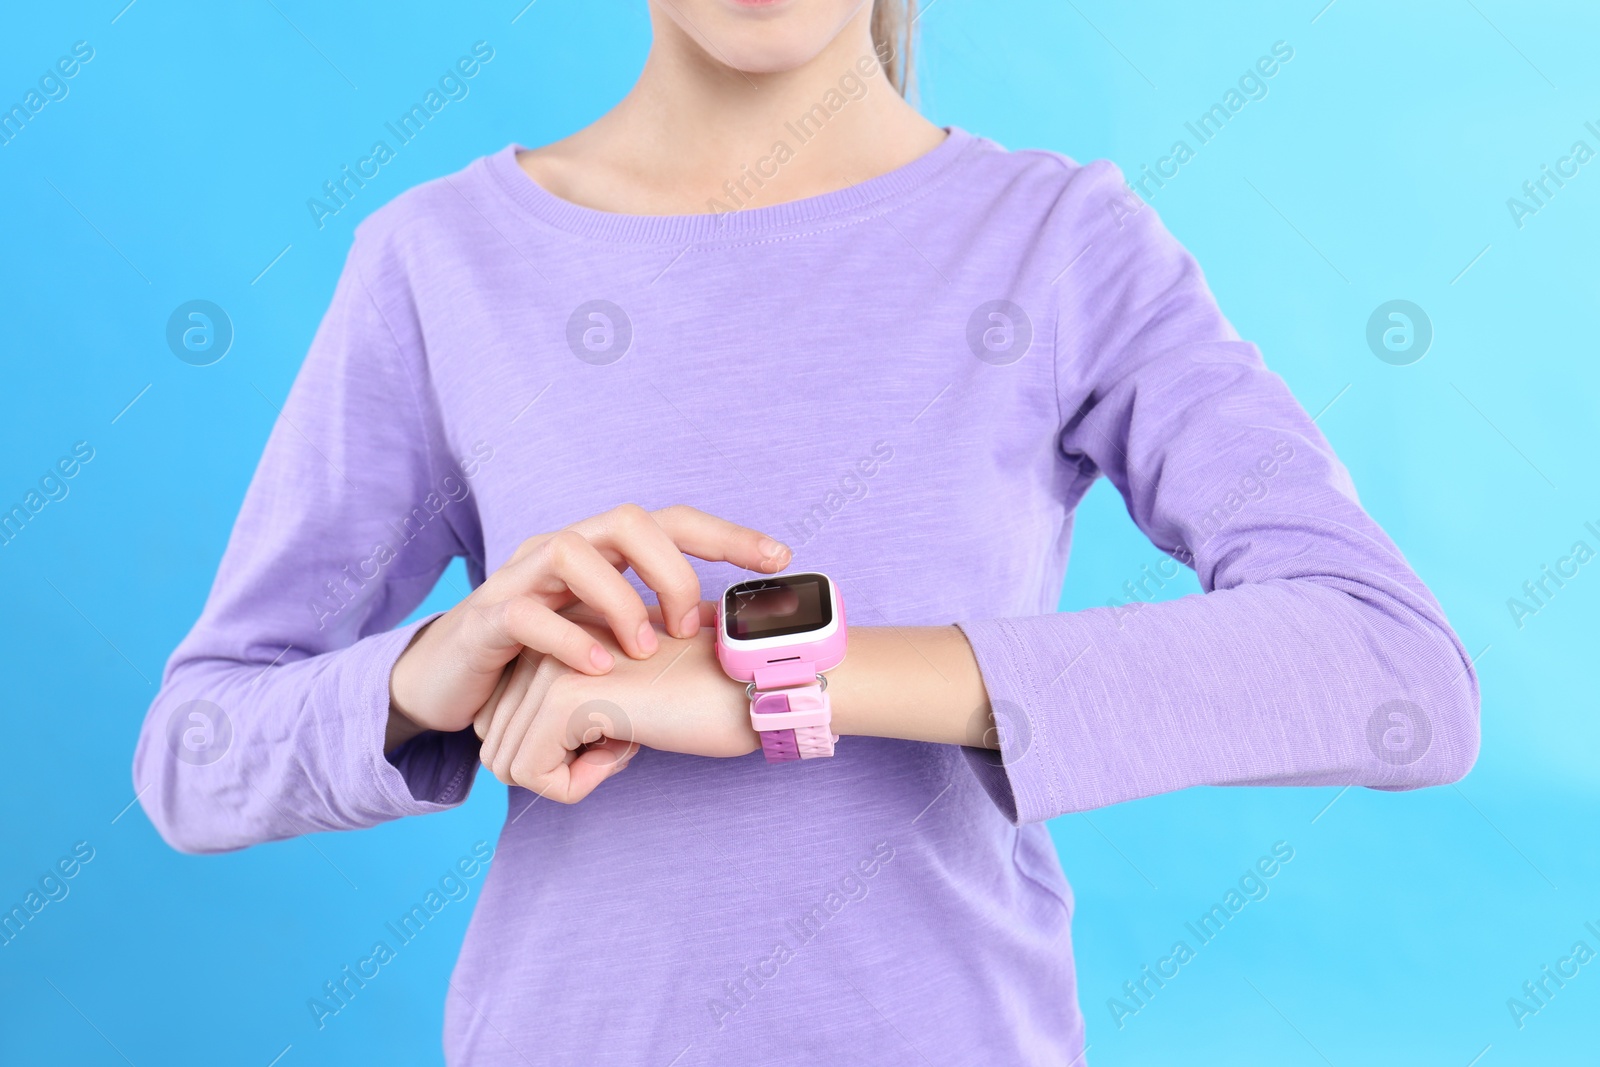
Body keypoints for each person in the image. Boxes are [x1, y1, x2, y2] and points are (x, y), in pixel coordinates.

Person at [134, 2, 1480, 1062]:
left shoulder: (1062, 245)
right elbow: (192, 756)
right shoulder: (436, 262)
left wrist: (771, 682)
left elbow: (1393, 672)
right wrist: (437, 666)